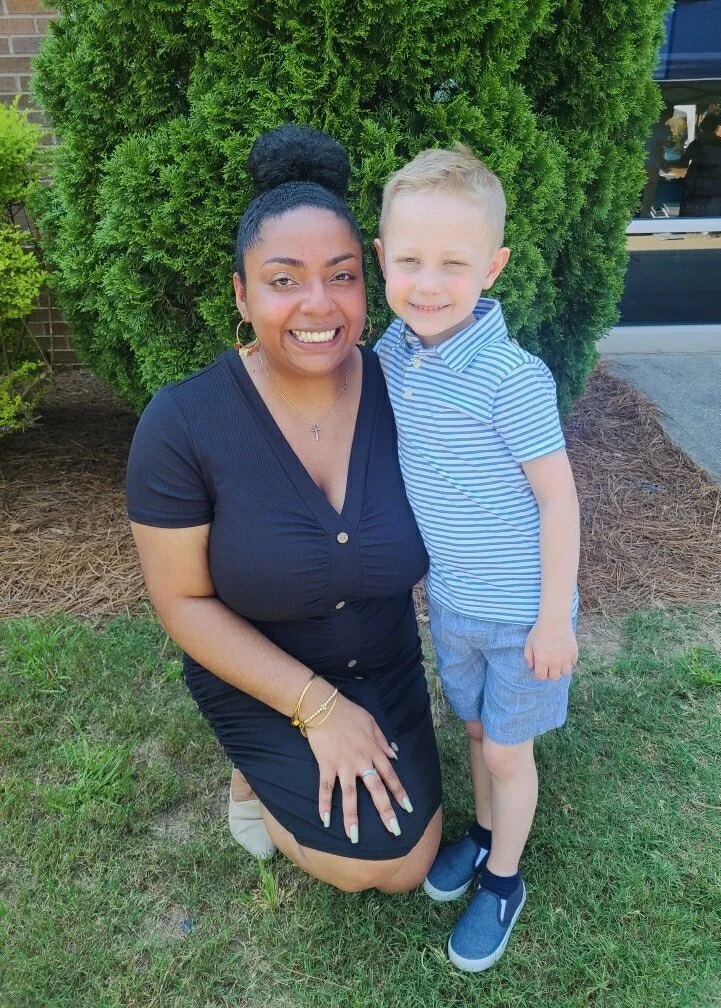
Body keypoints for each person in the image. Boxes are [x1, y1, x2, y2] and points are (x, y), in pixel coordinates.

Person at [126, 125, 442, 893]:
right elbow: (182, 601)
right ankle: (251, 769)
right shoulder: (183, 423)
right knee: (359, 863)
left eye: (341, 276)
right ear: (241, 292)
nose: (318, 305)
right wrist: (317, 707)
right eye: (283, 280)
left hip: (387, 660)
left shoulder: (411, 392)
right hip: (258, 672)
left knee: (408, 861)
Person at [374, 145, 580, 971]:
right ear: (382, 258)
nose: (428, 283)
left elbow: (559, 499)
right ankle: (487, 826)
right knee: (473, 726)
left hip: (525, 610)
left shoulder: (511, 377)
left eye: (452, 264)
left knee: (505, 749)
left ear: (491, 268)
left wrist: (552, 618)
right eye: (410, 260)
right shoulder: (394, 353)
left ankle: (503, 879)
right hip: (453, 602)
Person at [679, 111, 721, 216]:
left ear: (702, 126)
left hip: (694, 180)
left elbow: (683, 163)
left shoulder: (696, 143)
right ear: (716, 127)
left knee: (689, 208)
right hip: (713, 180)